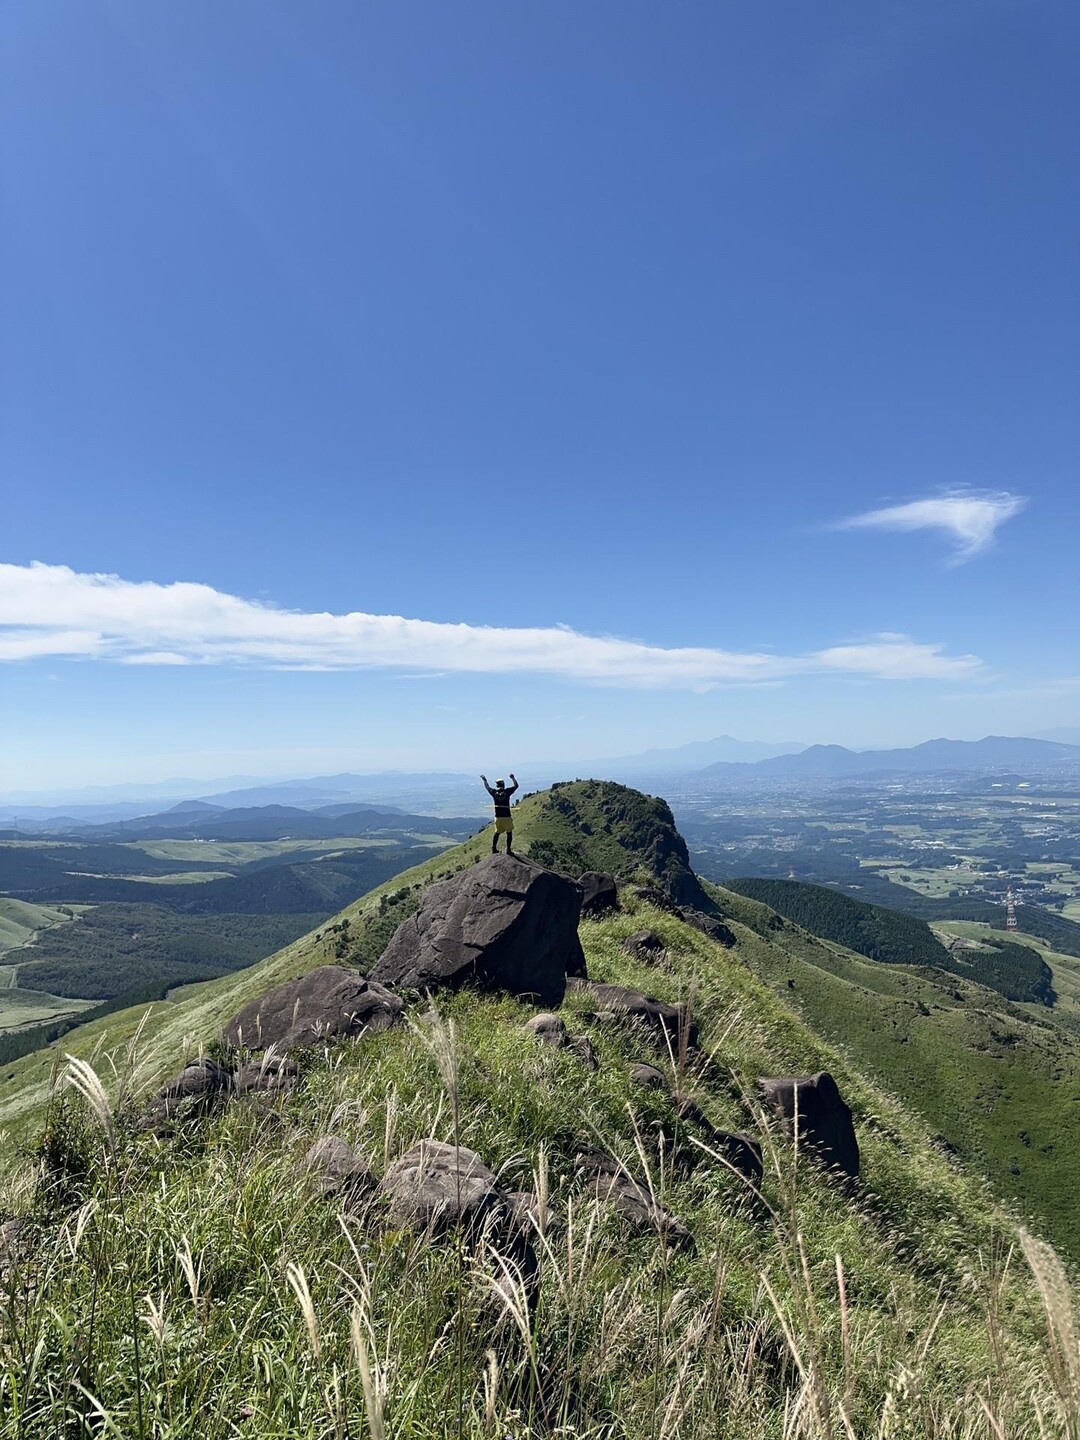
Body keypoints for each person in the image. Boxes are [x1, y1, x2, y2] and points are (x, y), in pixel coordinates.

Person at [481, 773, 518, 854]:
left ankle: (494, 849)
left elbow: (487, 787)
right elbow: (516, 786)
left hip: (498, 817)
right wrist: (513, 778)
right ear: (503, 784)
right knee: (509, 833)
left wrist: (485, 780)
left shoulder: (494, 792)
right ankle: (508, 850)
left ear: (496, 785)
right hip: (507, 816)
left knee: (497, 833)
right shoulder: (507, 791)